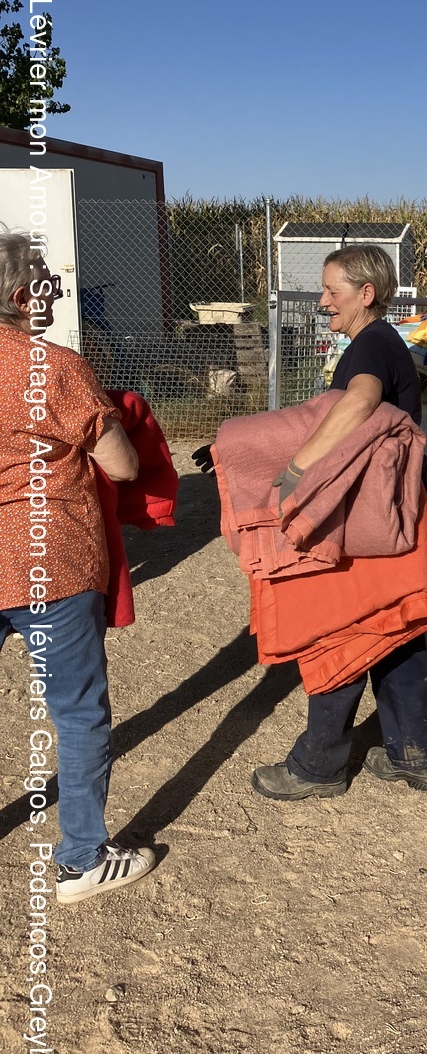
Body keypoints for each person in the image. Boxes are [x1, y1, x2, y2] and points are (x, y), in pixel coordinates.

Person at [249, 244, 427, 799]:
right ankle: (415, 755)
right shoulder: (381, 342)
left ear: (366, 293)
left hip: (370, 513)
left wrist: (297, 469)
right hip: (395, 509)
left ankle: (318, 766)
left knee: (343, 625)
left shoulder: (370, 347)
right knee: (393, 624)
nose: (322, 301)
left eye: (332, 291)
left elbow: (358, 404)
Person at [0, 232, 156, 904]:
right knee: (78, 713)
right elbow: (122, 466)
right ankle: (82, 860)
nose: (55, 291)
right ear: (20, 296)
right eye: (46, 281)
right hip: (49, 561)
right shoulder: (55, 367)